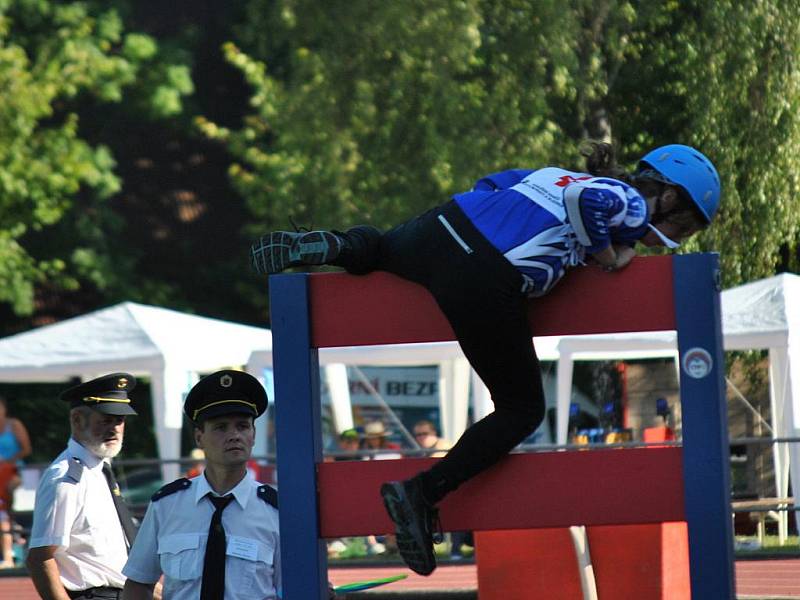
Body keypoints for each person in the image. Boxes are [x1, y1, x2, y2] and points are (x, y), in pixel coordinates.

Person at [250, 141, 721, 575]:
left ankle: (335, 244)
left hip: (445, 226)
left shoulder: (556, 174)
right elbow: (590, 205)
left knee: (382, 248)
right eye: (684, 225)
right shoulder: (632, 203)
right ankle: (422, 493)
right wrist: (605, 254)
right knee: (523, 409)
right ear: (669, 198)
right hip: (484, 271)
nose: (674, 238)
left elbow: (491, 184)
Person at [122, 370, 280, 600]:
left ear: (253, 435)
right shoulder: (167, 505)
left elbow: (297, 587)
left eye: (243, 426)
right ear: (199, 437)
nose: (234, 435)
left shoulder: (275, 512)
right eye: (221, 427)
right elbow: (138, 584)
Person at [27, 374, 141, 600]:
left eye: (119, 420)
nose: (115, 428)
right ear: (77, 419)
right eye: (105, 420)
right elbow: (40, 558)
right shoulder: (66, 479)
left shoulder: (99, 470)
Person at [0, 394, 31, 568]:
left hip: (15, 471)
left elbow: (26, 449)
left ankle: (13, 523)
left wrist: (7, 462)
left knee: (8, 492)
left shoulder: (14, 425)